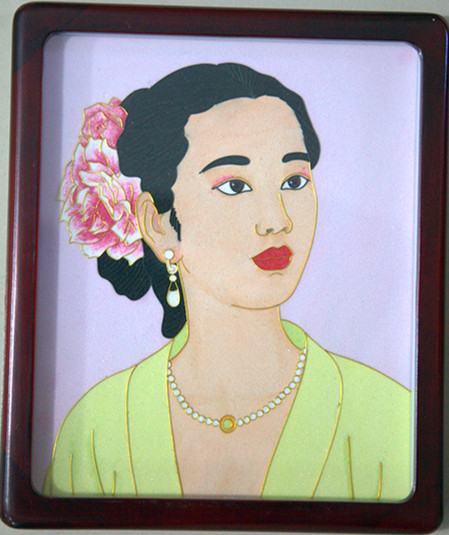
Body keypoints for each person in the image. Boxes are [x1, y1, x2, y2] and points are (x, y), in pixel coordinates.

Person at [44, 63, 412, 501]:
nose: (277, 220)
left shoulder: (389, 416)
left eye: (294, 181)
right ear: (159, 225)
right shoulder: (97, 428)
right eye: (235, 186)